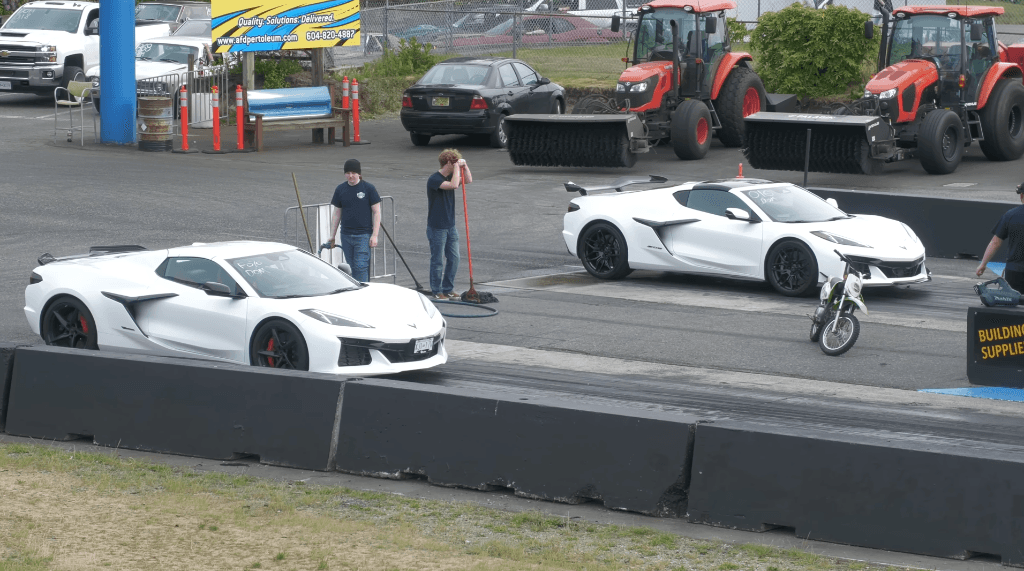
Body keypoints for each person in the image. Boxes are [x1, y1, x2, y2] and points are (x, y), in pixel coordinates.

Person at [426, 149, 472, 300]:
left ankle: (448, 288)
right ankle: (436, 290)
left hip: (450, 226)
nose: (456, 166)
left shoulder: (453, 175)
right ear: (447, 163)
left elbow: (468, 180)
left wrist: (464, 166)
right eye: (454, 163)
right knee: (437, 261)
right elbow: (453, 185)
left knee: (454, 258)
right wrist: (457, 168)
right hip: (437, 227)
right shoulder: (434, 179)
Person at [328, 159, 381, 283]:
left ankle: (362, 291)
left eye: (353, 173)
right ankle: (357, 289)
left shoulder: (368, 188)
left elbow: (377, 212)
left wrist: (375, 235)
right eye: (348, 173)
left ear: (359, 173)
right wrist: (332, 235)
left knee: (360, 266)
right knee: (351, 267)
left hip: (363, 235)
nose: (350, 176)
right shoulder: (340, 189)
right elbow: (336, 213)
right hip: (346, 235)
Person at [976, 181, 1024, 292]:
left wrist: (983, 264)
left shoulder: (1010, 215)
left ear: (1021, 196)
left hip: (1015, 272)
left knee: (1014, 301)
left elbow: (995, 243)